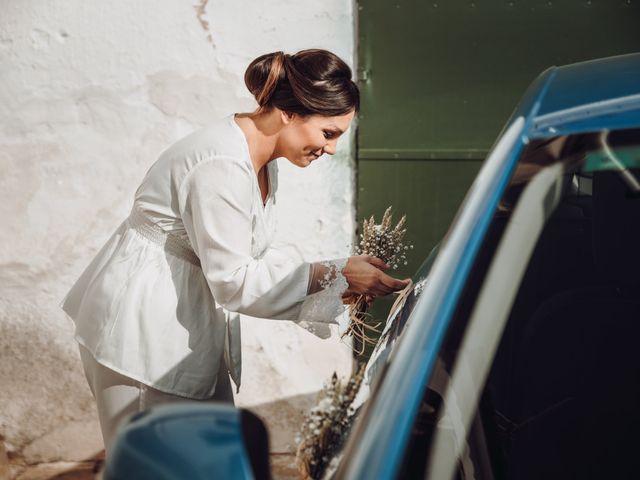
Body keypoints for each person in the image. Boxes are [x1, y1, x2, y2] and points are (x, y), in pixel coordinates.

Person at [60, 48, 409, 451]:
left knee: (211, 460)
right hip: (142, 332)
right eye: (328, 133)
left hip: (186, 321)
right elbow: (234, 281)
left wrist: (335, 278)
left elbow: (250, 259)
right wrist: (338, 274)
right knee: (155, 465)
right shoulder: (221, 163)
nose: (331, 149)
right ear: (289, 113)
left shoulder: (260, 157)